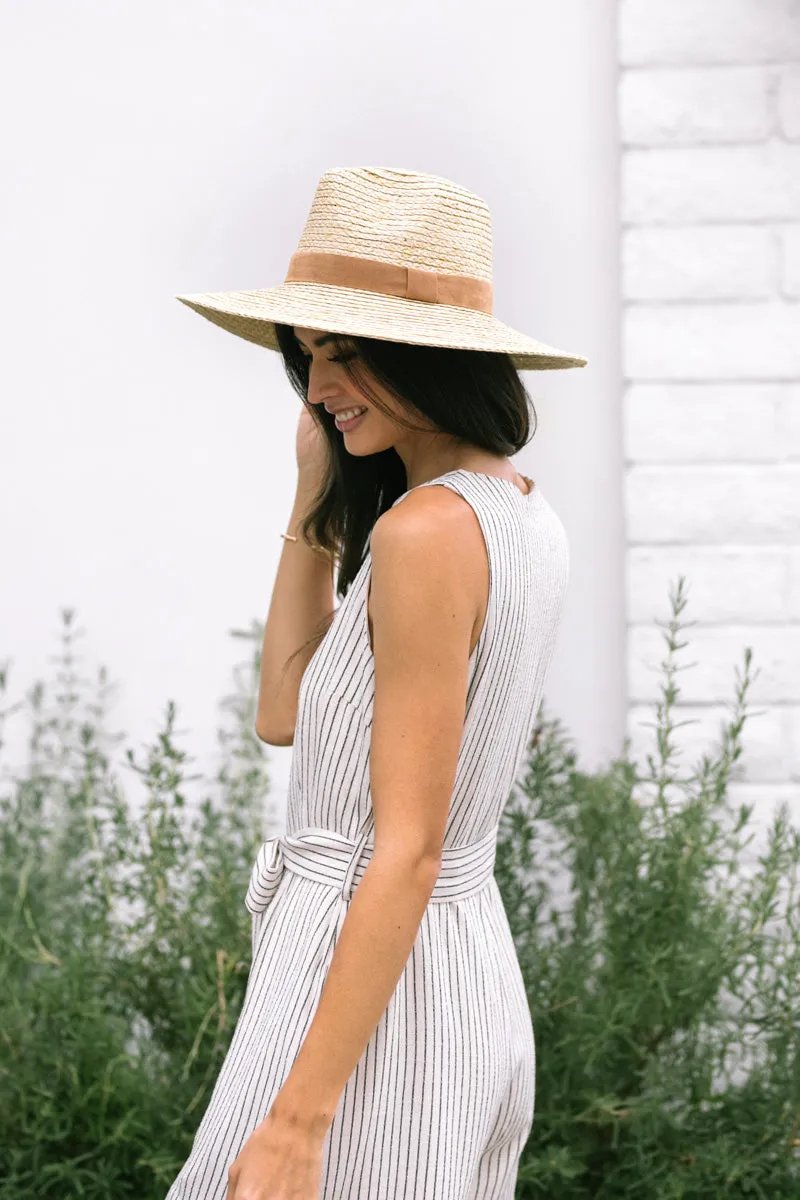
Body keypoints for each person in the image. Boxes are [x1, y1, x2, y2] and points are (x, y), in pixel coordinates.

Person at [168, 166, 587, 1200]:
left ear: (430, 358)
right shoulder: (514, 514)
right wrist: (316, 498)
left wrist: (297, 1122)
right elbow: (283, 714)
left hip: (369, 992)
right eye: (309, 356)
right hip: (434, 972)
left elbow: (406, 849)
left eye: (346, 354)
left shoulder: (427, 533)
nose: (318, 388)